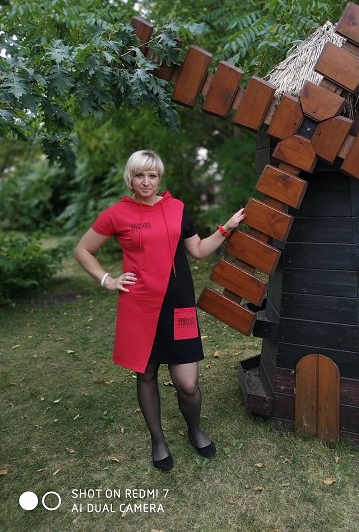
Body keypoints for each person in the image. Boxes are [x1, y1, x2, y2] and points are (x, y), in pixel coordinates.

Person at [74, 149, 245, 472]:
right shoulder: (117, 214)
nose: (146, 181)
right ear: (130, 178)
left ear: (159, 178)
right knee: (147, 373)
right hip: (139, 307)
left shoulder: (177, 208)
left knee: (188, 383)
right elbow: (83, 249)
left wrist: (226, 228)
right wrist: (108, 280)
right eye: (139, 175)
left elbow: (197, 250)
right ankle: (158, 440)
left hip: (179, 306)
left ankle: (194, 429)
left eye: (152, 175)